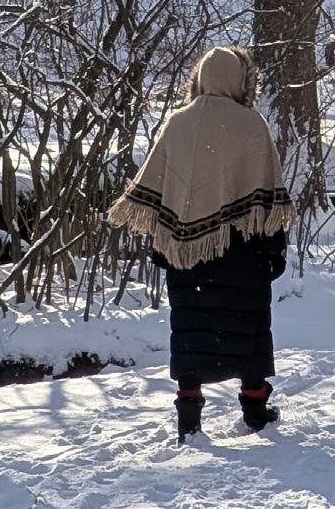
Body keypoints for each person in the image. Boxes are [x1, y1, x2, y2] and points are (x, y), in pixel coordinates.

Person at [108, 46, 295, 444]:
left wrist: (163, 241)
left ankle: (189, 415)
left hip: (187, 252)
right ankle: (255, 408)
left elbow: (159, 187)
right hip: (243, 251)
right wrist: (273, 248)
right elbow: (267, 197)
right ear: (241, 81)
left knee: (190, 332)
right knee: (249, 331)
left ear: (200, 77)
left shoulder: (178, 123)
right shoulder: (251, 124)